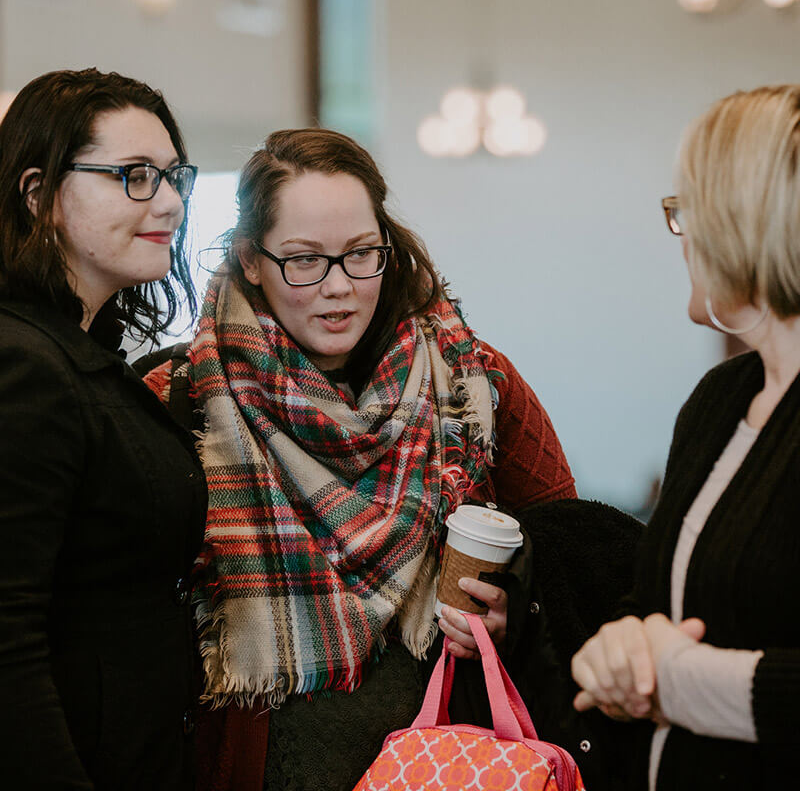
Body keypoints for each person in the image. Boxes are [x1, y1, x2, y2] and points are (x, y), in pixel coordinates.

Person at [142, 127, 578, 790]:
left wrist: (512, 606)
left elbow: (578, 557)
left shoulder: (472, 382)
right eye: (304, 260)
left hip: (440, 768)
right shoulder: (182, 395)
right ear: (250, 259)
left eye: (359, 254)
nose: (338, 287)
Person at [570, 85, 800, 789]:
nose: (683, 237)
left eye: (685, 210)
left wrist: (681, 680)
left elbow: (689, 660)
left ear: (742, 222)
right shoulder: (718, 400)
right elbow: (664, 596)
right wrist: (617, 646)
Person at [0, 68, 207, 789]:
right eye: (134, 176)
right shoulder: (23, 364)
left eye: (173, 176)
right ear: (39, 196)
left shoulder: (84, 355)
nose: (171, 204)